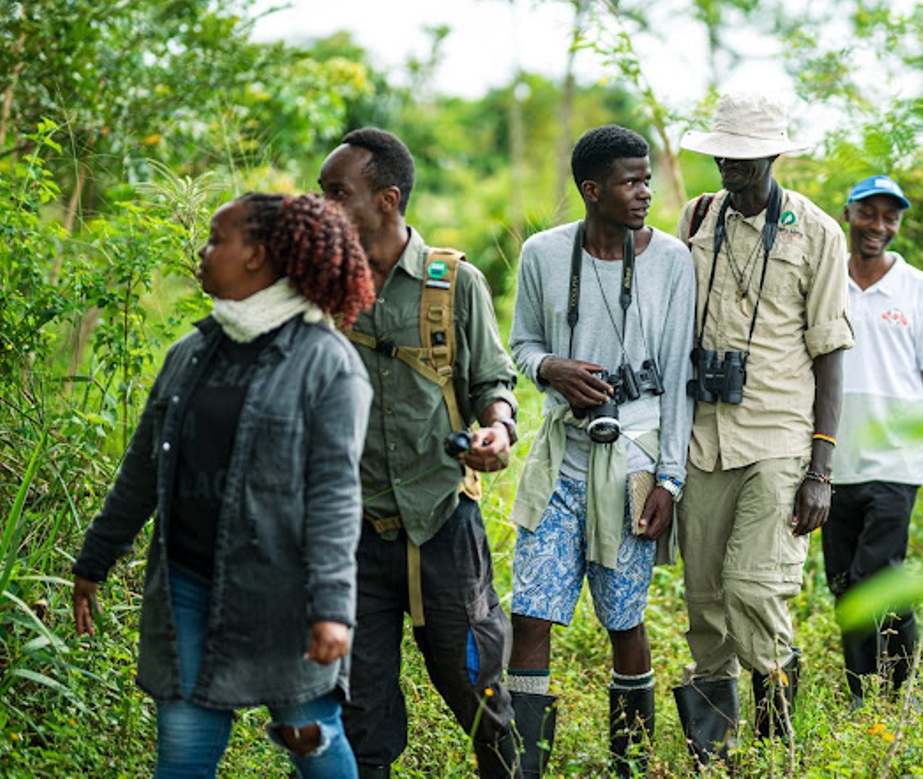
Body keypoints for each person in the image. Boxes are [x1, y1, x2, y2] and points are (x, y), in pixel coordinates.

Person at [71, 192, 376, 778]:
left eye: (217, 239)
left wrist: (333, 609)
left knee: (306, 733)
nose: (204, 253)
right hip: (188, 585)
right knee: (182, 750)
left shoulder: (328, 363)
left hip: (284, 595)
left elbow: (336, 496)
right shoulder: (191, 353)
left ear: (257, 256)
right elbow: (142, 469)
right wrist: (96, 557)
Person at [318, 127, 520, 778]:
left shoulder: (454, 283)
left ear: (387, 198)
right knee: (360, 714)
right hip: (355, 531)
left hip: (442, 522)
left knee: (479, 690)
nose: (324, 207)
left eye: (336, 192)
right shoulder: (319, 288)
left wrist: (500, 429)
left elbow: (493, 381)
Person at [506, 125, 696, 777]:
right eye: (630, 181)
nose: (645, 192)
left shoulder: (672, 260)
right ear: (592, 190)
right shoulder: (541, 253)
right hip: (562, 456)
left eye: (647, 179)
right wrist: (550, 368)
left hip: (637, 462)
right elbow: (521, 345)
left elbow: (678, 377)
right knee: (530, 611)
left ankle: (631, 764)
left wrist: (671, 478)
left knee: (625, 617)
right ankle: (522, 766)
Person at [672, 92, 854, 764]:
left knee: (754, 586)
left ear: (774, 153)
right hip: (701, 438)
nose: (730, 165)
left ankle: (780, 743)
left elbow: (831, 351)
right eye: (723, 152)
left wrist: (821, 469)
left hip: (779, 436)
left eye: (745, 156)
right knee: (706, 604)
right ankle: (712, 754)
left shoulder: (818, 232)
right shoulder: (696, 217)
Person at [824, 175, 923, 708]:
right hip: (832, 460)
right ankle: (866, 691)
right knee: (843, 584)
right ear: (849, 214)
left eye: (890, 217)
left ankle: (897, 690)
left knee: (871, 574)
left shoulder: (920, 289)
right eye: (869, 213)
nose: (879, 226)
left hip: (895, 462)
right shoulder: (826, 280)